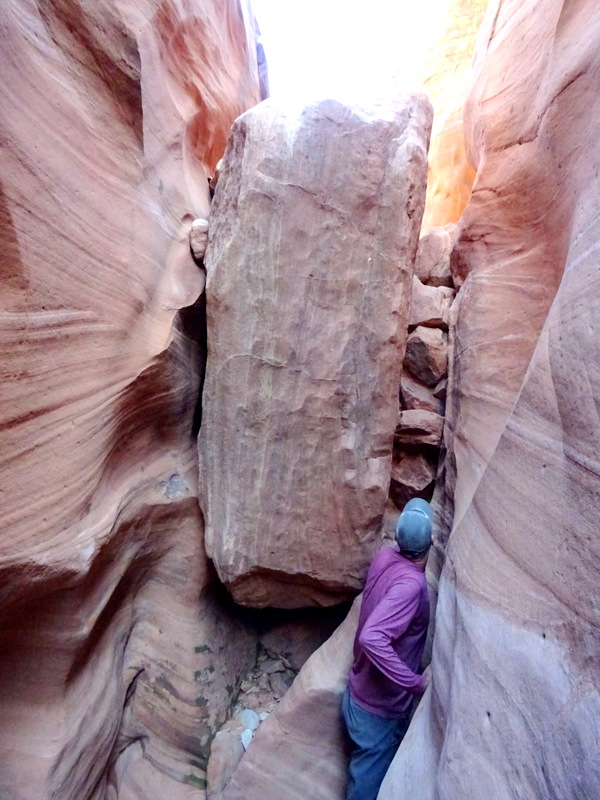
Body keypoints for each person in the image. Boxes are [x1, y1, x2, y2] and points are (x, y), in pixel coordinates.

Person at [341, 497, 433, 800]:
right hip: (377, 717)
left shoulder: (383, 557)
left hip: (356, 694)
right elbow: (372, 637)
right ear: (431, 543)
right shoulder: (411, 585)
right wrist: (415, 682)